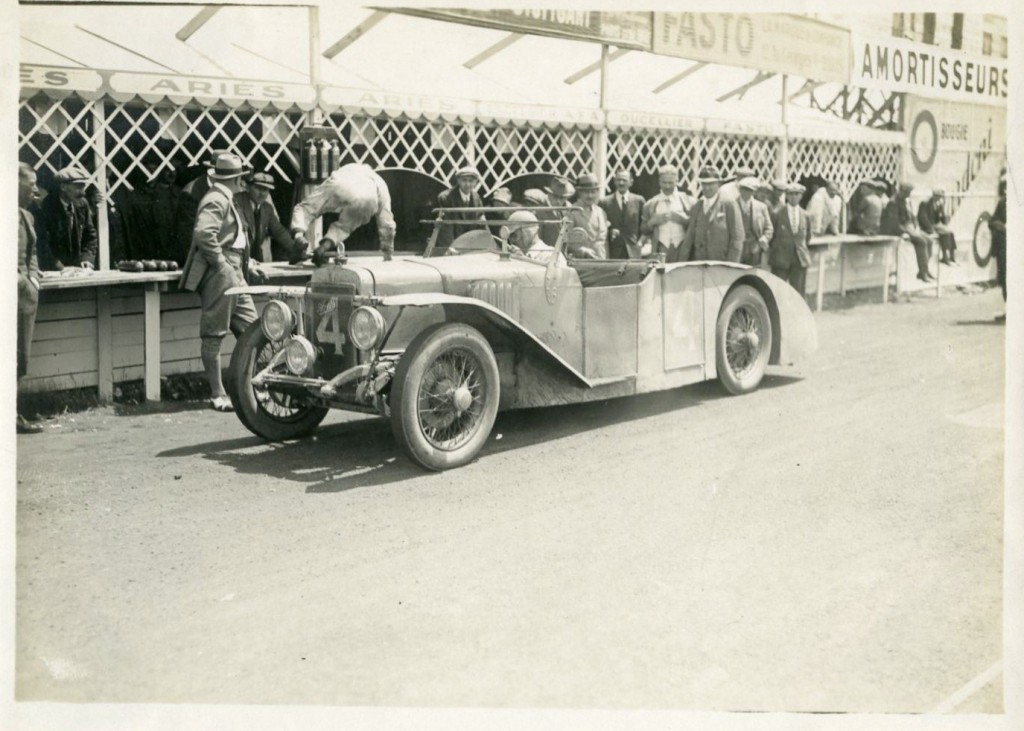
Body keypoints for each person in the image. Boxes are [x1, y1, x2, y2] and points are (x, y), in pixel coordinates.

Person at [179, 154, 263, 412]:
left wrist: (246, 264)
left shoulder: (226, 197)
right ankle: (218, 393)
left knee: (254, 329)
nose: (245, 183)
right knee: (215, 332)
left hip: (233, 269)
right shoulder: (217, 197)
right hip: (223, 271)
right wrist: (221, 264)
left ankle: (252, 388)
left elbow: (231, 236)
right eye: (242, 178)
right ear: (236, 178)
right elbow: (204, 233)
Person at [290, 162, 397, 264]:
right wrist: (388, 252)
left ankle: (299, 237)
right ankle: (322, 248)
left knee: (307, 207)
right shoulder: (381, 182)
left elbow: (332, 180)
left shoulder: (351, 167)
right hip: (368, 195)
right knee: (344, 227)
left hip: (340, 183)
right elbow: (387, 224)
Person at [16, 163, 44, 433]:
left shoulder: (27, 216)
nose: (35, 189)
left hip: (25, 296)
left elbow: (32, 252)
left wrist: (32, 278)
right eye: (30, 184)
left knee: (20, 358)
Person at [672, 166, 744, 263]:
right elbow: (689, 238)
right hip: (699, 266)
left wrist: (730, 266)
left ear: (718, 183)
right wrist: (681, 263)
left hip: (721, 266)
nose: (706, 188)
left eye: (711, 184)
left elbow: (737, 238)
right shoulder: (697, 206)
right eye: (704, 184)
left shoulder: (729, 204)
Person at [35, 165, 98, 271]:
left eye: (83, 187)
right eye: (78, 187)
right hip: (52, 270)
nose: (83, 192)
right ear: (63, 187)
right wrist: (61, 268)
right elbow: (42, 244)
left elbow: (90, 236)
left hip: (78, 269)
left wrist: (86, 259)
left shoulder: (82, 204)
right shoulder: (46, 207)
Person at [235, 171, 296, 263]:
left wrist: (297, 249)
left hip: (255, 260)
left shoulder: (267, 209)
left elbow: (279, 232)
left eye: (266, 190)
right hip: (236, 258)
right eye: (258, 188)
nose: (262, 193)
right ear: (247, 187)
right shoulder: (237, 202)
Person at [881, 182, 934, 282]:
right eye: (908, 192)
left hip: (910, 227)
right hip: (900, 228)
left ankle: (924, 269)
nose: (909, 194)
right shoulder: (893, 202)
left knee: (930, 240)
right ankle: (923, 273)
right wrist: (902, 232)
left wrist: (916, 226)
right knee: (921, 242)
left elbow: (913, 216)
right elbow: (893, 222)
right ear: (902, 191)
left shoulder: (906, 201)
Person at [641, 165, 695, 261]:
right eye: (664, 182)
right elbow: (643, 230)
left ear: (677, 181)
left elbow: (697, 228)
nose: (667, 186)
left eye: (671, 182)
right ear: (659, 182)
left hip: (682, 248)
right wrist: (652, 222)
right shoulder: (651, 204)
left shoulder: (689, 201)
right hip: (661, 249)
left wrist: (684, 220)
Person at [768, 183, 812, 295]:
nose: (794, 197)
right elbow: (771, 236)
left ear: (801, 196)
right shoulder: (777, 213)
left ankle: (797, 313)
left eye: (797, 194)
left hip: (799, 259)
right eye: (791, 194)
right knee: (777, 292)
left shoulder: (806, 215)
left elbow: (807, 237)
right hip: (781, 259)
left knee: (798, 293)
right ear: (786, 195)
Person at [434, 166, 487, 249]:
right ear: (458, 181)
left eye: (471, 181)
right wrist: (449, 247)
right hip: (451, 244)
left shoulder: (476, 198)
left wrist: (486, 244)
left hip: (470, 245)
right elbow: (446, 226)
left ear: (476, 182)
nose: (467, 184)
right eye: (464, 180)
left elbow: (481, 223)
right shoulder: (446, 197)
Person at [599, 170, 645, 259]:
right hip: (613, 251)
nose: (621, 183)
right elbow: (601, 225)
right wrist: (610, 231)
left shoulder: (639, 201)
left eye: (624, 180)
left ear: (631, 182)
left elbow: (644, 225)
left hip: (633, 250)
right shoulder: (605, 202)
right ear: (614, 181)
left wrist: (640, 242)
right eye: (618, 180)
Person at [568, 173, 608, 259]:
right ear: (579, 193)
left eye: (593, 192)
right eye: (586, 192)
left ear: (597, 192)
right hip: (581, 261)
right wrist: (581, 250)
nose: (590, 196)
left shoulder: (601, 212)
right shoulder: (572, 211)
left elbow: (603, 241)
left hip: (600, 260)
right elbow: (566, 240)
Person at [736, 177, 774, 267]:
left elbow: (769, 228)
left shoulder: (761, 207)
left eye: (750, 190)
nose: (746, 193)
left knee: (753, 275)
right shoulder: (731, 205)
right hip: (736, 248)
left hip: (754, 248)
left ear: (754, 192)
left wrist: (764, 239)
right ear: (739, 190)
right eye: (744, 189)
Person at [917, 188, 957, 265]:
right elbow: (923, 218)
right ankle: (945, 257)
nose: (939, 198)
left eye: (941, 196)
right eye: (938, 196)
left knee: (951, 233)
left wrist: (942, 211)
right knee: (946, 233)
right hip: (928, 226)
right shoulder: (925, 203)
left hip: (935, 224)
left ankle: (952, 256)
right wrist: (931, 229)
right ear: (934, 195)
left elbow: (941, 220)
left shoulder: (938, 204)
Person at [539, 176, 575, 247]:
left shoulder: (562, 213)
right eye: (555, 197)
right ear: (549, 195)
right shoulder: (540, 213)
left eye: (562, 198)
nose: (558, 201)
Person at [989, 179, 1007, 320]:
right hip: (1004, 248)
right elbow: (992, 221)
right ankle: (1009, 311)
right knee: (1004, 280)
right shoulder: (1002, 204)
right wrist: (1002, 226)